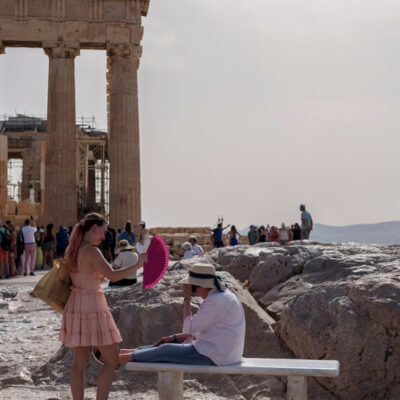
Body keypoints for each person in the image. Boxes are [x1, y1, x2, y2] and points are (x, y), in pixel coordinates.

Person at [59, 212, 147, 400]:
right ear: (94, 228)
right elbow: (112, 276)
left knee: (79, 363)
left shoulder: (72, 249)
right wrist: (138, 265)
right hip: (92, 305)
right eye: (103, 231)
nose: (104, 236)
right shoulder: (91, 251)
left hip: (75, 305)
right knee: (112, 359)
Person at [94, 263, 246, 367]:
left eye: (193, 288)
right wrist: (173, 337)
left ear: (203, 286)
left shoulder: (216, 301)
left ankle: (116, 359)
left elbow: (188, 328)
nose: (193, 292)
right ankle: (121, 353)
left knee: (165, 350)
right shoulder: (221, 295)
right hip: (223, 351)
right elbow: (200, 330)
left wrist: (187, 300)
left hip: (217, 355)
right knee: (164, 344)